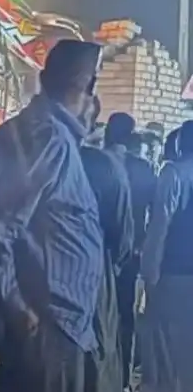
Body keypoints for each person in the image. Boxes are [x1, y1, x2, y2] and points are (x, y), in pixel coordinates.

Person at [0, 39, 105, 392]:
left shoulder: (51, 136)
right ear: (87, 85)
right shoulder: (46, 137)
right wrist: (15, 306)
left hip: (60, 323)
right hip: (47, 325)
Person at [80, 110, 134, 392]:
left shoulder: (40, 158)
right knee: (100, 343)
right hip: (99, 269)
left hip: (44, 277)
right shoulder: (107, 167)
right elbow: (123, 232)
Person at [139, 119, 193, 392]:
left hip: (175, 271)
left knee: (166, 342)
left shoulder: (174, 173)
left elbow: (160, 225)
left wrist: (150, 271)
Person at [104, 115, 157, 390]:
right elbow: (155, 211)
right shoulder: (143, 168)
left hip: (99, 252)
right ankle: (122, 379)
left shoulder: (95, 162)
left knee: (98, 314)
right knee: (126, 315)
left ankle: (99, 376)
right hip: (130, 252)